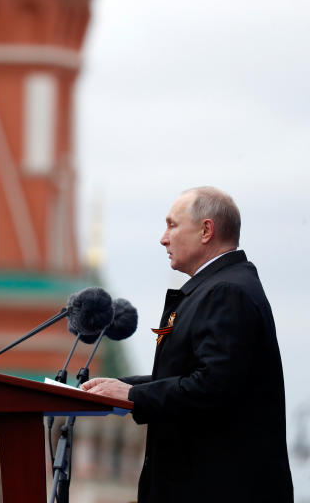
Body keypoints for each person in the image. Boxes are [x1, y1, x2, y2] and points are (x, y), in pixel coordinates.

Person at [82, 186, 292, 502]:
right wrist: (118, 387)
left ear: (206, 230)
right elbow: (187, 377)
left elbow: (213, 388)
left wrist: (133, 394)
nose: (163, 238)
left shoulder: (226, 292)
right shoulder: (216, 287)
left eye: (172, 225)